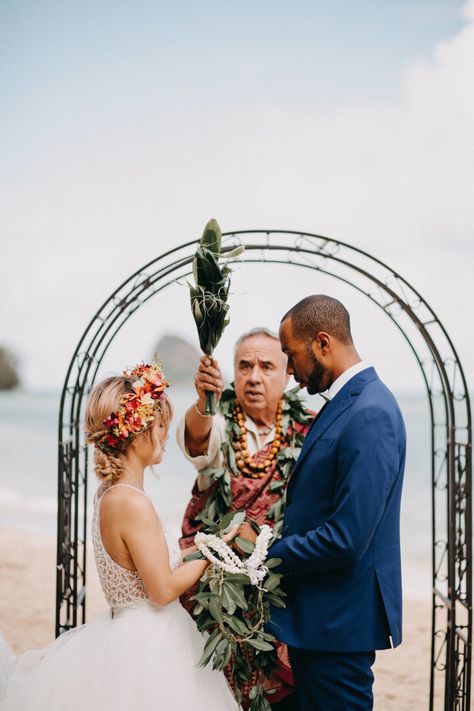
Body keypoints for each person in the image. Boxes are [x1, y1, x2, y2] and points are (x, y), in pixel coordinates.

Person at [0, 362, 238, 711]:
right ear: (138, 432)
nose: (164, 436)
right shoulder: (132, 502)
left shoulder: (111, 493)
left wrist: (203, 545)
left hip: (124, 630)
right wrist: (214, 554)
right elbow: (161, 591)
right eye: (160, 427)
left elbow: (144, 568)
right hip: (150, 647)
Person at [264, 295, 407, 711]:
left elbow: (346, 538)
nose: (289, 372)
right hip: (320, 621)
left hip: (339, 626)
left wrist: (266, 553)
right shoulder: (348, 404)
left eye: (291, 355)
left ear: (323, 343)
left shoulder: (370, 412)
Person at [177, 328, 313, 710]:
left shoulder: (311, 428)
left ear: (288, 374)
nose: (254, 376)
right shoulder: (218, 419)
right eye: (244, 366)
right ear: (232, 374)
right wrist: (204, 402)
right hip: (220, 592)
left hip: (284, 585)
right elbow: (197, 442)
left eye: (267, 366)